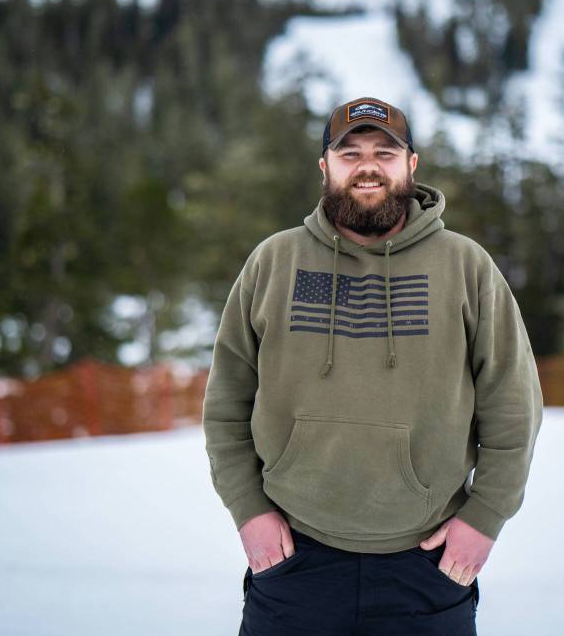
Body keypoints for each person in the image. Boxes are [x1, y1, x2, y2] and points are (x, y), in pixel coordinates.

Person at [203, 96, 543, 635]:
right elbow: (226, 403)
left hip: (426, 562)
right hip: (294, 556)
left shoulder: (465, 266)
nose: (368, 166)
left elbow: (513, 406)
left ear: (411, 165)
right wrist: (248, 507)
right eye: (350, 153)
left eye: (385, 153)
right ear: (325, 167)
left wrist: (485, 518)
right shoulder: (275, 261)